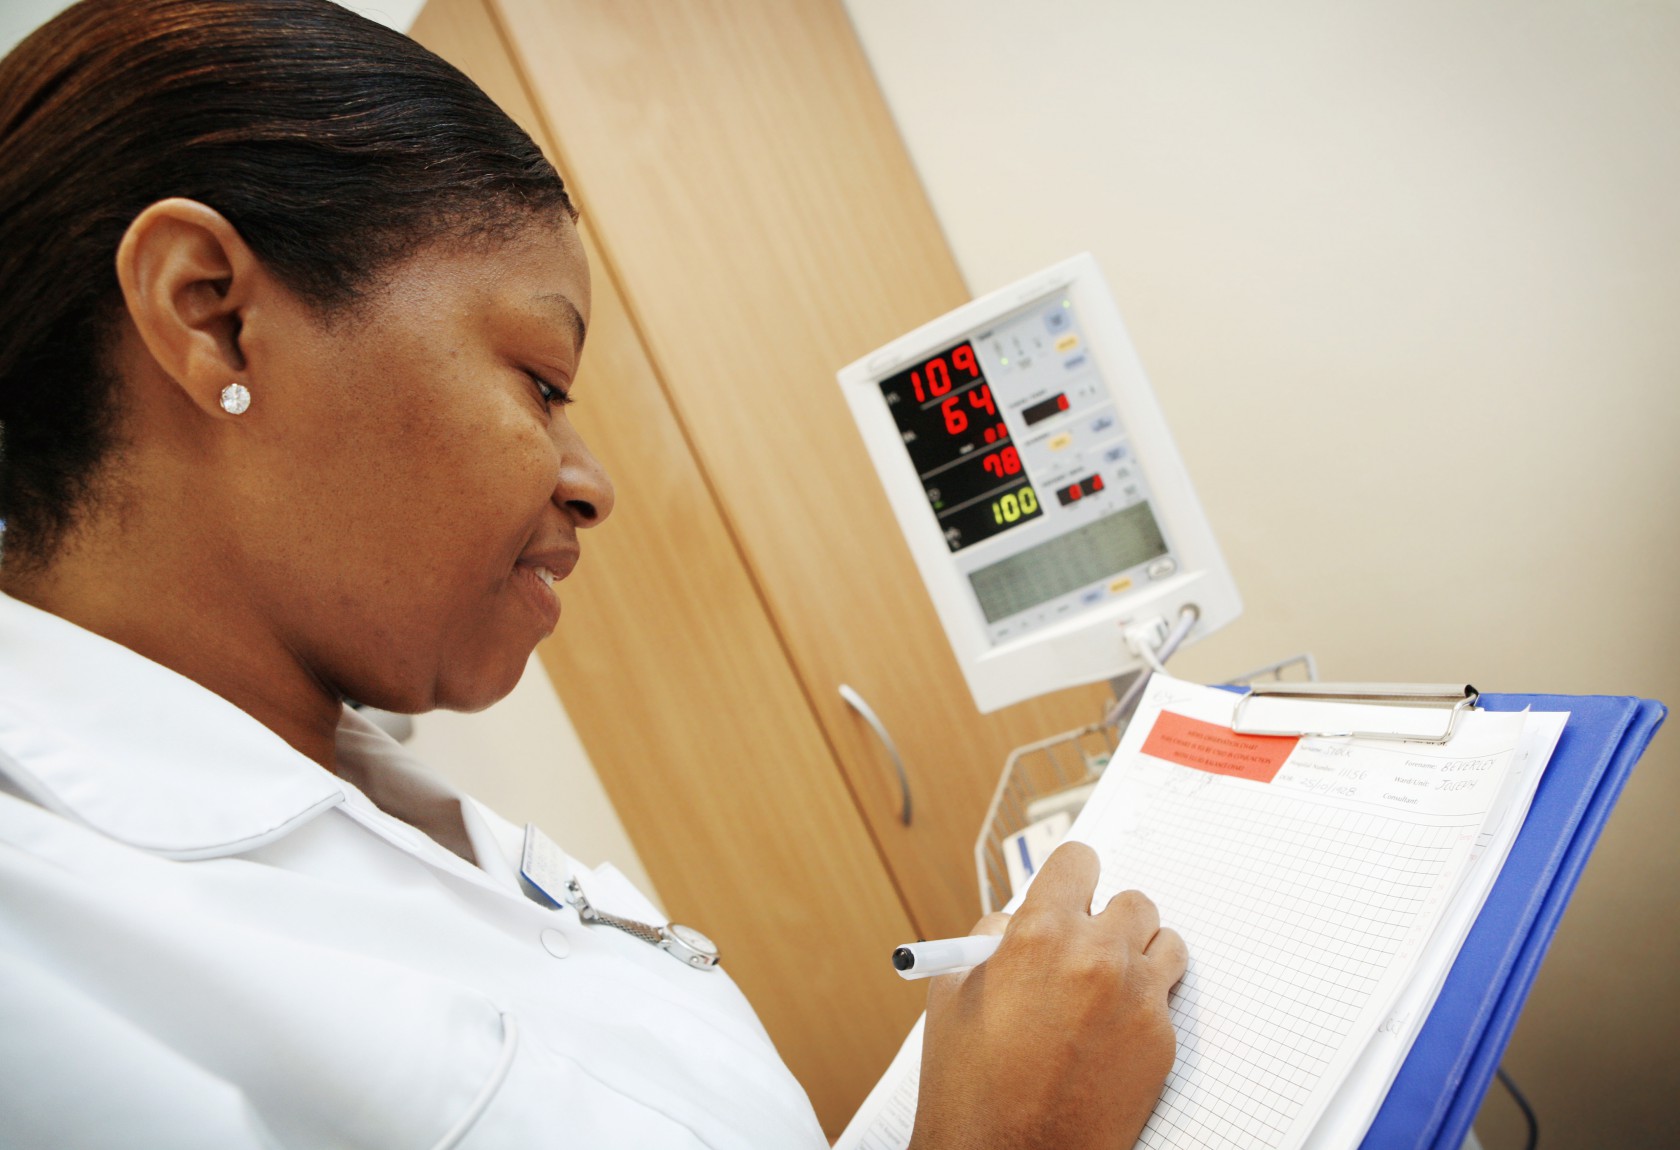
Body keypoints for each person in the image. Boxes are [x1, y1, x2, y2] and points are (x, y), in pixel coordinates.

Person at [0, 1, 1188, 1146]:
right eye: (542, 382)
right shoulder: (42, 963)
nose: (592, 482)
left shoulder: (357, 785)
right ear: (212, 317)